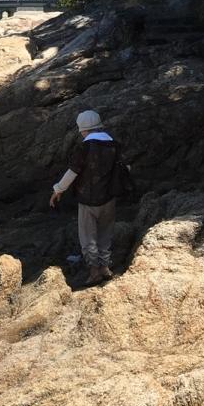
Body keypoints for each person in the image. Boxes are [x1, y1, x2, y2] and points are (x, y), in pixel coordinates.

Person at [50, 109, 127, 287]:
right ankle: (105, 268)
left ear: (83, 129)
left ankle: (94, 272)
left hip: (88, 199)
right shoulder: (114, 145)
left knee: (87, 236)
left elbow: (72, 172)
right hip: (109, 197)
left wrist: (58, 190)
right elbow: (124, 169)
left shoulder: (84, 147)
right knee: (105, 234)